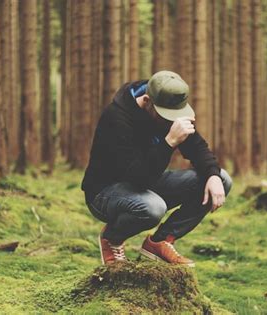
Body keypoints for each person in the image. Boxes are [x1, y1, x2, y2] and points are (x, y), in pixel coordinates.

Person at [81, 70, 232, 267]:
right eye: (165, 115)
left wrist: (212, 175)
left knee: (222, 179)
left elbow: (197, 147)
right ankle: (112, 238)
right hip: (105, 192)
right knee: (153, 208)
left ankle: (160, 241)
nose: (170, 120)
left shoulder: (168, 102)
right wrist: (169, 142)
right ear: (147, 101)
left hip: (147, 182)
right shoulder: (116, 119)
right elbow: (136, 177)